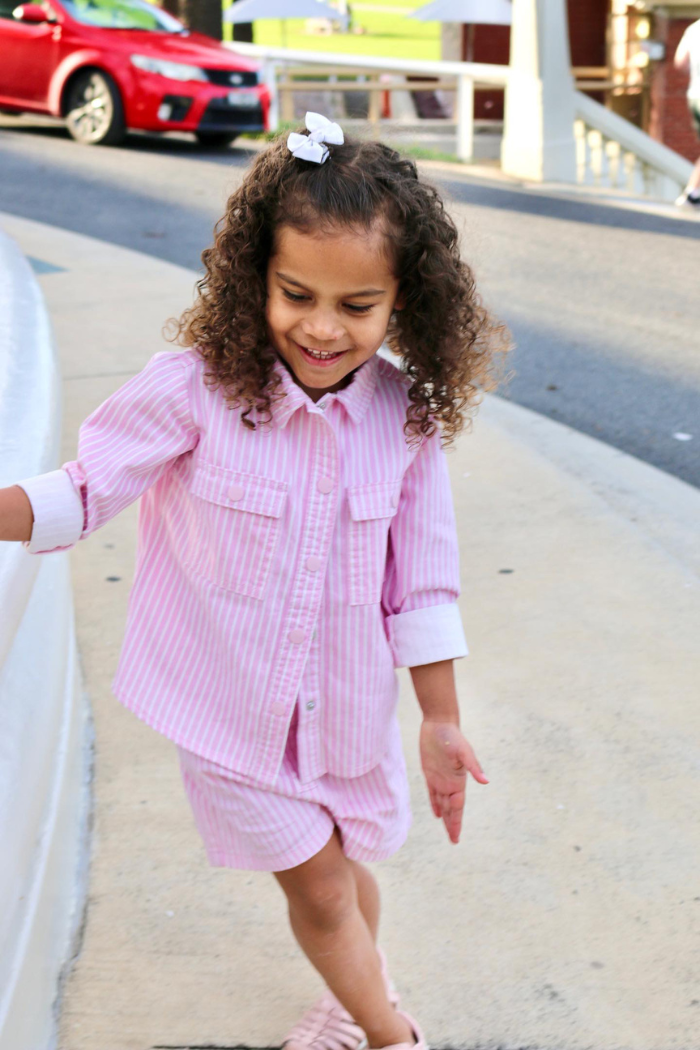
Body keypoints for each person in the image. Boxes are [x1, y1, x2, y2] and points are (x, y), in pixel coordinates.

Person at [0, 113, 507, 1050]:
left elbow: (424, 588)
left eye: (358, 305)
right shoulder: (193, 390)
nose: (322, 327)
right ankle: (392, 1034)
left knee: (342, 874)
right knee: (321, 891)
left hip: (345, 715)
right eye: (295, 294)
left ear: (405, 301)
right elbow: (85, 489)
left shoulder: (406, 420)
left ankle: (351, 1002)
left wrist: (439, 719)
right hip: (228, 716)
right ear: (255, 277)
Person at [674, 17, 700, 208]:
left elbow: (680, 63)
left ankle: (693, 192)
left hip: (695, 95)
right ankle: (692, 193)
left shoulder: (693, 28)